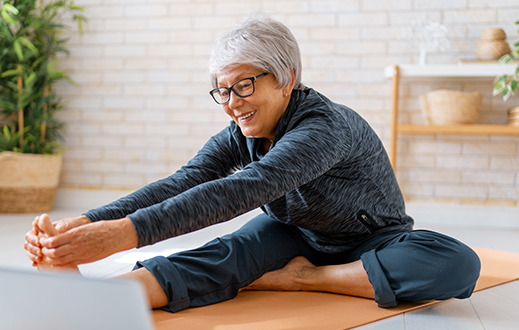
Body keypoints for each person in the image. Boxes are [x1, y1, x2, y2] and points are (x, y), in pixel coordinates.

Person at [24, 14, 481, 313]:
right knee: (227, 254)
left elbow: (242, 190)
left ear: (286, 79)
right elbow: (187, 182)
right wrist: (85, 223)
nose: (231, 103)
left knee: (457, 264)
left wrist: (124, 235)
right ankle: (91, 302)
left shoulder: (325, 128)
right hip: (293, 233)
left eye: (244, 85)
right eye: (222, 91)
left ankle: (303, 280)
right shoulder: (243, 130)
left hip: (373, 239)